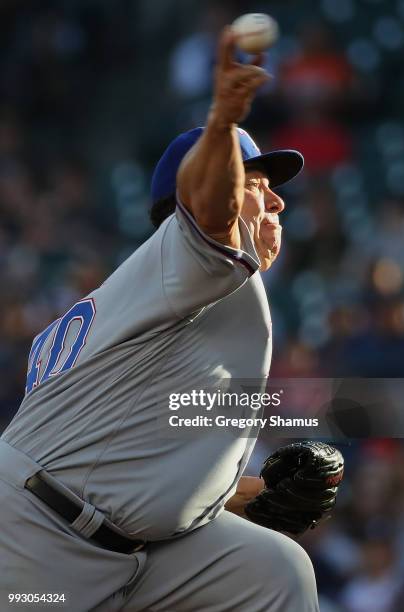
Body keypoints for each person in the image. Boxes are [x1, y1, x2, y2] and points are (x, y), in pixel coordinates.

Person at [0, 28, 318, 611]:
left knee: (272, 570)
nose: (276, 203)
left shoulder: (180, 303)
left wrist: (251, 495)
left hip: (110, 532)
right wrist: (222, 124)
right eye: (258, 184)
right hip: (35, 541)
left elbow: (129, 463)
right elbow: (207, 205)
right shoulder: (188, 256)